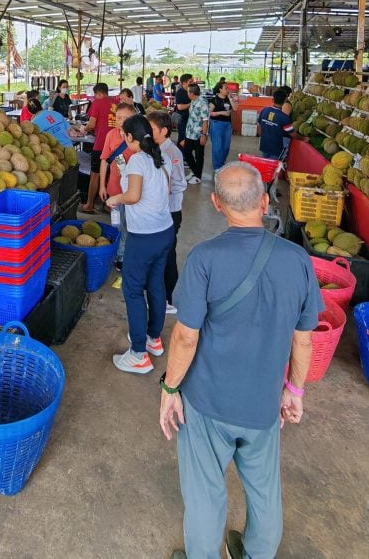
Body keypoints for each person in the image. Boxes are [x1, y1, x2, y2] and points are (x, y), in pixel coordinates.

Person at [161, 162, 322, 559]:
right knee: (265, 490)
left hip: (208, 401)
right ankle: (254, 553)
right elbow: (304, 342)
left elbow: (185, 335)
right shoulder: (298, 260)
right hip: (264, 403)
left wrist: (169, 388)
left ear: (216, 203)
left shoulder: (204, 258)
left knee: (205, 494)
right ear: (265, 201)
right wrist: (294, 391)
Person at [106, 115, 175, 374]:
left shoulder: (136, 161)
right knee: (155, 284)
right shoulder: (161, 157)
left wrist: (117, 198)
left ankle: (138, 354)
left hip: (143, 236)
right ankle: (153, 339)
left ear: (130, 137)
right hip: (164, 231)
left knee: (133, 290)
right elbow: (165, 191)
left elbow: (133, 196)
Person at [148, 111, 186, 313]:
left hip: (171, 212)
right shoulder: (156, 149)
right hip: (160, 211)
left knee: (167, 255)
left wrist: (163, 189)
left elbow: (180, 184)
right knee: (161, 254)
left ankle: (171, 300)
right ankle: (162, 295)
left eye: (151, 129)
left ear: (163, 131)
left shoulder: (172, 153)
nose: (147, 132)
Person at [101, 103, 139, 267]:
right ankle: (119, 256)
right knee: (117, 225)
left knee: (131, 225)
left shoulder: (138, 136)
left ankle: (126, 255)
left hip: (134, 191)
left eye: (126, 118)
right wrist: (102, 185)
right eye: (119, 118)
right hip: (115, 189)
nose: (122, 121)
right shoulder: (111, 135)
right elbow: (105, 160)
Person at [82, 82, 116, 213]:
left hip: (101, 144)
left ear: (99, 93)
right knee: (113, 175)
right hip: (116, 146)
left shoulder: (97, 102)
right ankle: (109, 205)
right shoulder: (116, 103)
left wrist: (84, 128)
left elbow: (91, 124)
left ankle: (89, 205)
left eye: (95, 95)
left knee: (95, 175)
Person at [181, 84, 209, 184]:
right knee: (187, 153)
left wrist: (204, 135)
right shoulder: (193, 101)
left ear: (192, 93)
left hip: (198, 134)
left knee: (198, 156)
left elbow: (205, 120)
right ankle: (194, 171)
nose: (187, 93)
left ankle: (198, 176)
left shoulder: (203, 103)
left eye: (188, 92)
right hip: (190, 133)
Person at [256, 88, 292, 161]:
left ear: (272, 99)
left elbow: (259, 126)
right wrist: (302, 138)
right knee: (273, 168)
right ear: (285, 100)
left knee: (265, 164)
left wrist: (263, 136)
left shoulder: (264, 110)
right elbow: (292, 133)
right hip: (276, 148)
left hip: (264, 144)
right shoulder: (284, 117)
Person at [208, 82, 235, 172]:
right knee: (217, 147)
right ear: (220, 89)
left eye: (228, 88)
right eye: (225, 88)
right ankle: (217, 167)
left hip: (227, 125)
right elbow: (208, 113)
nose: (228, 90)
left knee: (226, 147)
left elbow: (235, 108)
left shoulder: (228, 99)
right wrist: (221, 113)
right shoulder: (214, 100)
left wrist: (231, 99)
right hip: (216, 124)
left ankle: (222, 162)